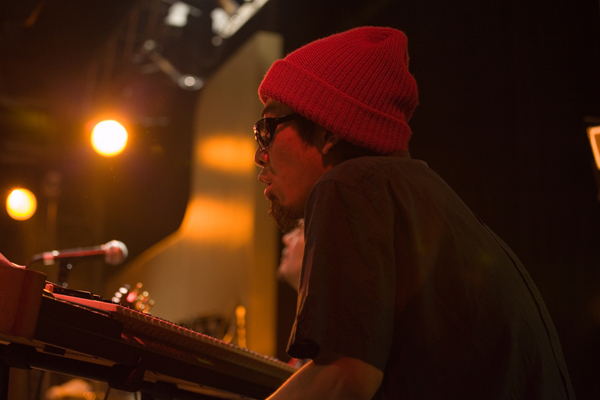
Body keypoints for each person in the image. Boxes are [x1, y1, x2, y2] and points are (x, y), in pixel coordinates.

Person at [253, 27, 575, 399]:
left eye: (267, 129)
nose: (260, 155)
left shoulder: (349, 184)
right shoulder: (416, 195)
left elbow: (345, 378)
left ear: (330, 130)